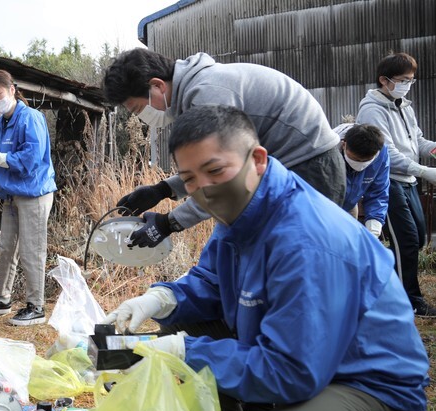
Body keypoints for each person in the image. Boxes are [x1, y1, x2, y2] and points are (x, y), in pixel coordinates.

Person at [104, 105, 428, 411]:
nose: (203, 189)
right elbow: (211, 282)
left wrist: (186, 353)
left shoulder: (305, 239)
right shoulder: (245, 209)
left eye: (215, 170)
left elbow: (291, 371)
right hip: (308, 357)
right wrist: (157, 299)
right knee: (182, 316)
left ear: (256, 159)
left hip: (369, 382)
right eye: (189, 180)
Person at [103, 49, 346, 248]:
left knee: (294, 258)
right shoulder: (198, 88)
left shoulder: (208, 94)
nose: (142, 117)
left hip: (309, 169)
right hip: (288, 167)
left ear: (157, 86)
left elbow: (224, 183)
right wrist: (162, 190)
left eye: (138, 109)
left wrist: (169, 223)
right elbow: (212, 169)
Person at [0, 69, 56, 326]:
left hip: (34, 193)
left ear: (12, 89)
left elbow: (29, 160)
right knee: (7, 247)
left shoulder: (31, 118)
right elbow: (0, 167)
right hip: (11, 195)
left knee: (32, 249)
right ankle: (2, 299)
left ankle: (36, 305)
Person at [356, 51, 436, 317]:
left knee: (418, 233)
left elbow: (417, 141)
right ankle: (409, 299)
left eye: (411, 80)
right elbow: (387, 153)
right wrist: (425, 171)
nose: (408, 84)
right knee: (406, 240)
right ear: (384, 80)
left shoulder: (404, 105)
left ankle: (384, 285)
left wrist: (433, 150)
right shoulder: (372, 110)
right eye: (403, 79)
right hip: (388, 181)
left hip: (409, 179)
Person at [332, 123, 389, 238]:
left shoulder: (381, 152)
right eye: (355, 159)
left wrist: (374, 230)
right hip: (326, 205)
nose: (359, 164)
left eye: (366, 161)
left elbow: (378, 191)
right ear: (344, 144)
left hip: (350, 204)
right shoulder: (327, 150)